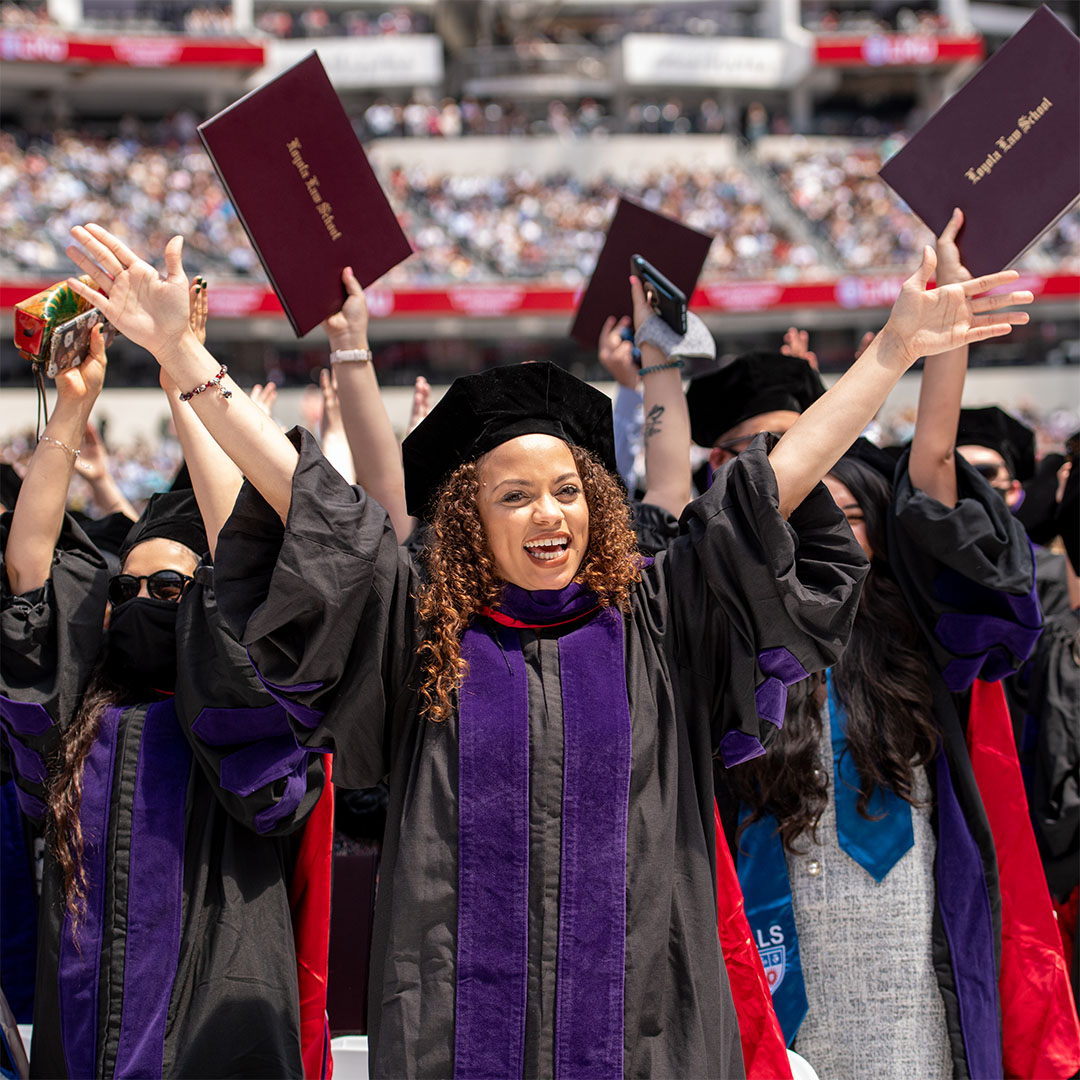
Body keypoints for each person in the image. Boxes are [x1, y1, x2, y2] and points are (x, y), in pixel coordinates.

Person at [64, 221, 1031, 1077]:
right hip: (452, 1033)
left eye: (567, 490)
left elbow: (769, 488)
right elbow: (311, 505)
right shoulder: (420, 630)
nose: (548, 514)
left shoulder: (659, 620)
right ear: (468, 518)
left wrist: (896, 351)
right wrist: (188, 360)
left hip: (648, 1029)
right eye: (514, 495)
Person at [728, 208, 1080, 1078]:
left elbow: (930, 471)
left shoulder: (915, 634)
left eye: (857, 520)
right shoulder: (752, 643)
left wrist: (944, 340)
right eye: (822, 524)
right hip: (790, 930)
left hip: (911, 936)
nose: (841, 540)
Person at [0, 299, 334, 1077]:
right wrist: (74, 403)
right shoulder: (76, 724)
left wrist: (181, 374)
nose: (143, 603)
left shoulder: (241, 722)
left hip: (215, 1030)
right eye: (128, 588)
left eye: (171, 592)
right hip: (84, 1032)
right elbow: (27, 580)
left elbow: (244, 577)